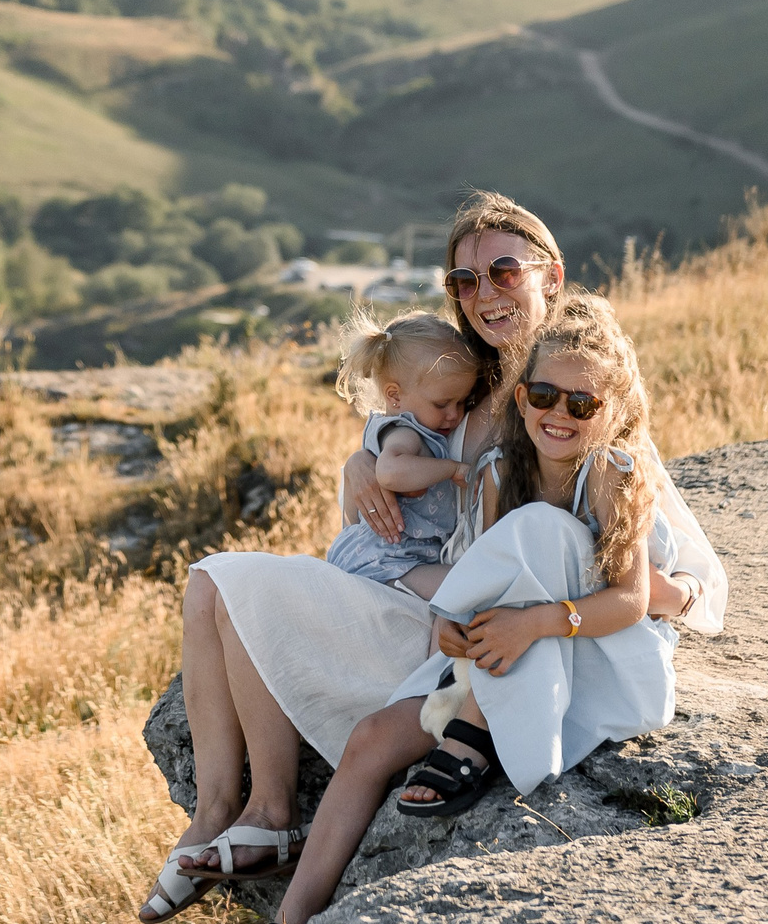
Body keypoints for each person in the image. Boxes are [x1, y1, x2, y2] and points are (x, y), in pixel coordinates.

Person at [137, 193, 568, 921]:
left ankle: (274, 810)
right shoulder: (473, 377)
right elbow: (405, 432)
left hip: (439, 620)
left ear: (549, 275)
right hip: (408, 590)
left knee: (242, 580)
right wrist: (363, 459)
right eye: (464, 282)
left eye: (502, 270)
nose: (484, 294)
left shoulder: (555, 384)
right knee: (208, 581)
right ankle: (219, 810)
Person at [275, 293, 720, 924]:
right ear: (520, 397)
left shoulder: (612, 472)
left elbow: (630, 601)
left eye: (583, 402)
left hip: (601, 656)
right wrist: (455, 629)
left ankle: (477, 736)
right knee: (372, 738)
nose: (558, 414)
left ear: (614, 409)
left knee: (545, 528)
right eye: (542, 395)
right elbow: (481, 581)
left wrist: (534, 621)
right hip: (510, 649)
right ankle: (293, 915)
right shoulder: (497, 473)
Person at [320, 310, 486, 599]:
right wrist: (452, 469)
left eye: (462, 402)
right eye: (442, 403)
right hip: (389, 561)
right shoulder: (405, 432)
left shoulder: (405, 424)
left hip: (389, 557)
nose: (454, 415)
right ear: (394, 396)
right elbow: (389, 472)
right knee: (471, 588)